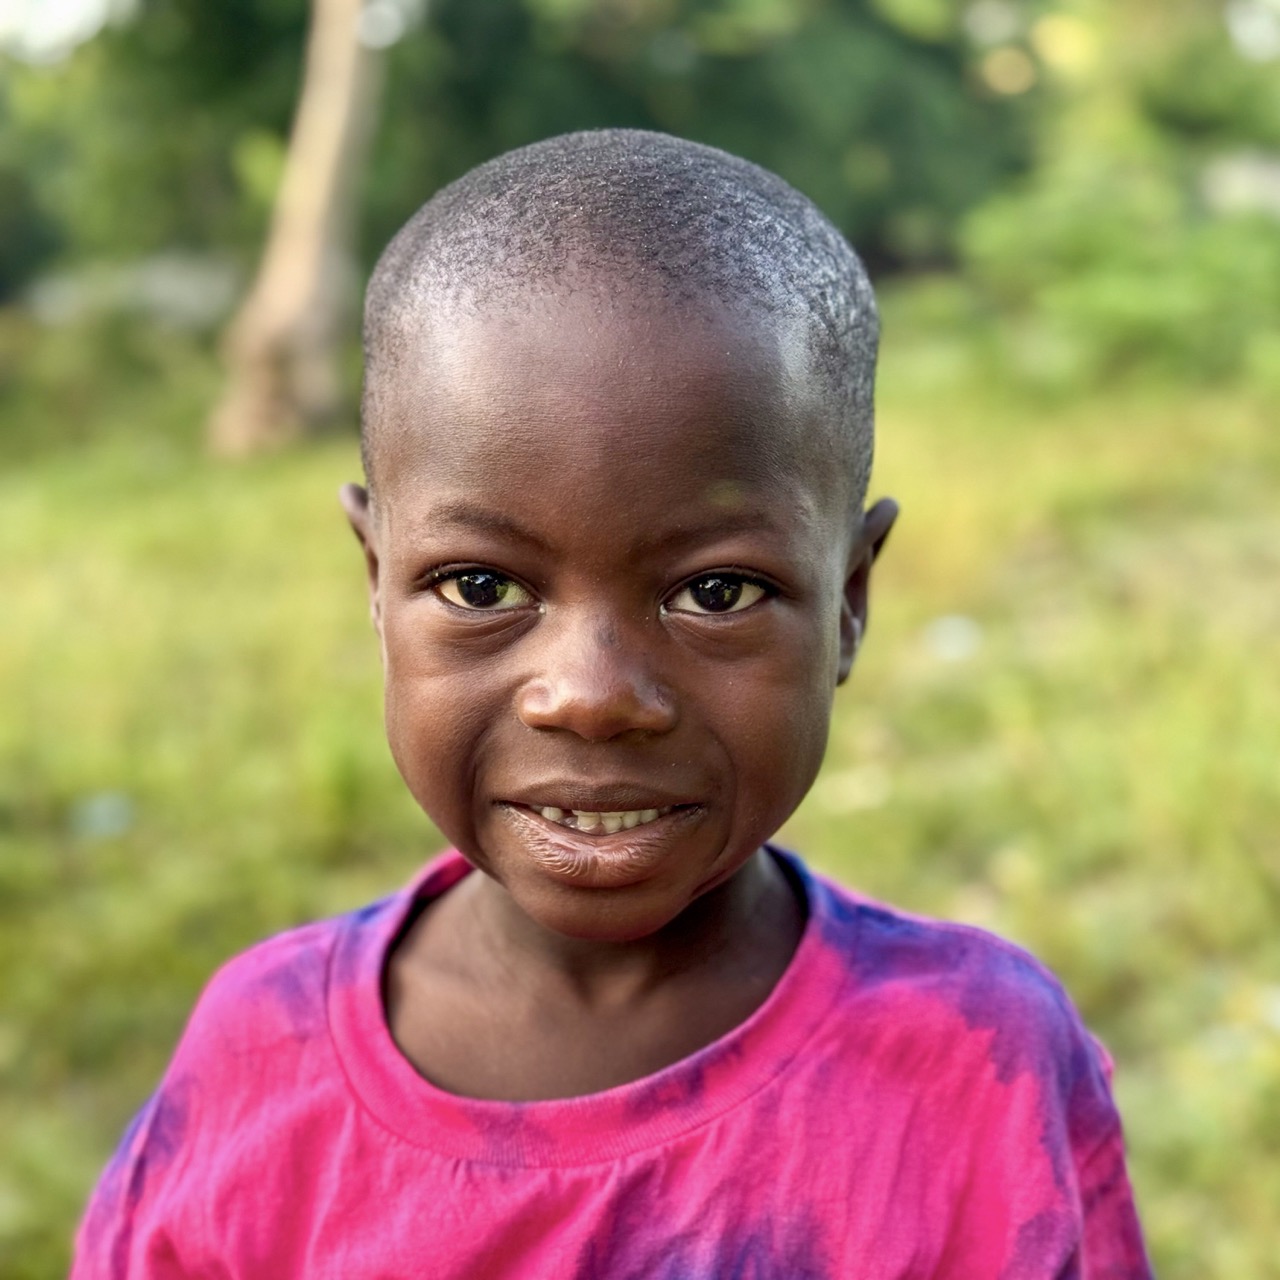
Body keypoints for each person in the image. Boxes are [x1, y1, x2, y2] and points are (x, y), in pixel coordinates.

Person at [72, 129, 1152, 1278]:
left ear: (846, 601)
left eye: (715, 592)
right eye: (480, 587)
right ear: (376, 585)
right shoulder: (257, 1060)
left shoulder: (976, 1065)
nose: (590, 697)